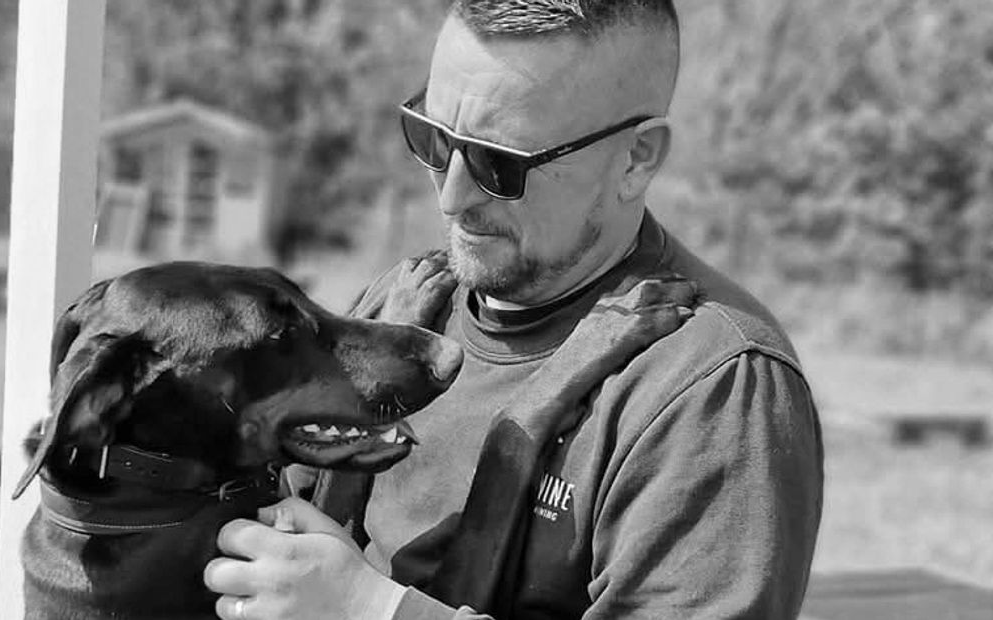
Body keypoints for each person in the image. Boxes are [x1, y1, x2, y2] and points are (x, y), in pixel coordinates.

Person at [204, 1, 824, 618]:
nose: (451, 197)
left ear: (636, 159)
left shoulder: (710, 387)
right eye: (434, 138)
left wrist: (371, 608)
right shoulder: (404, 301)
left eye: (499, 164)